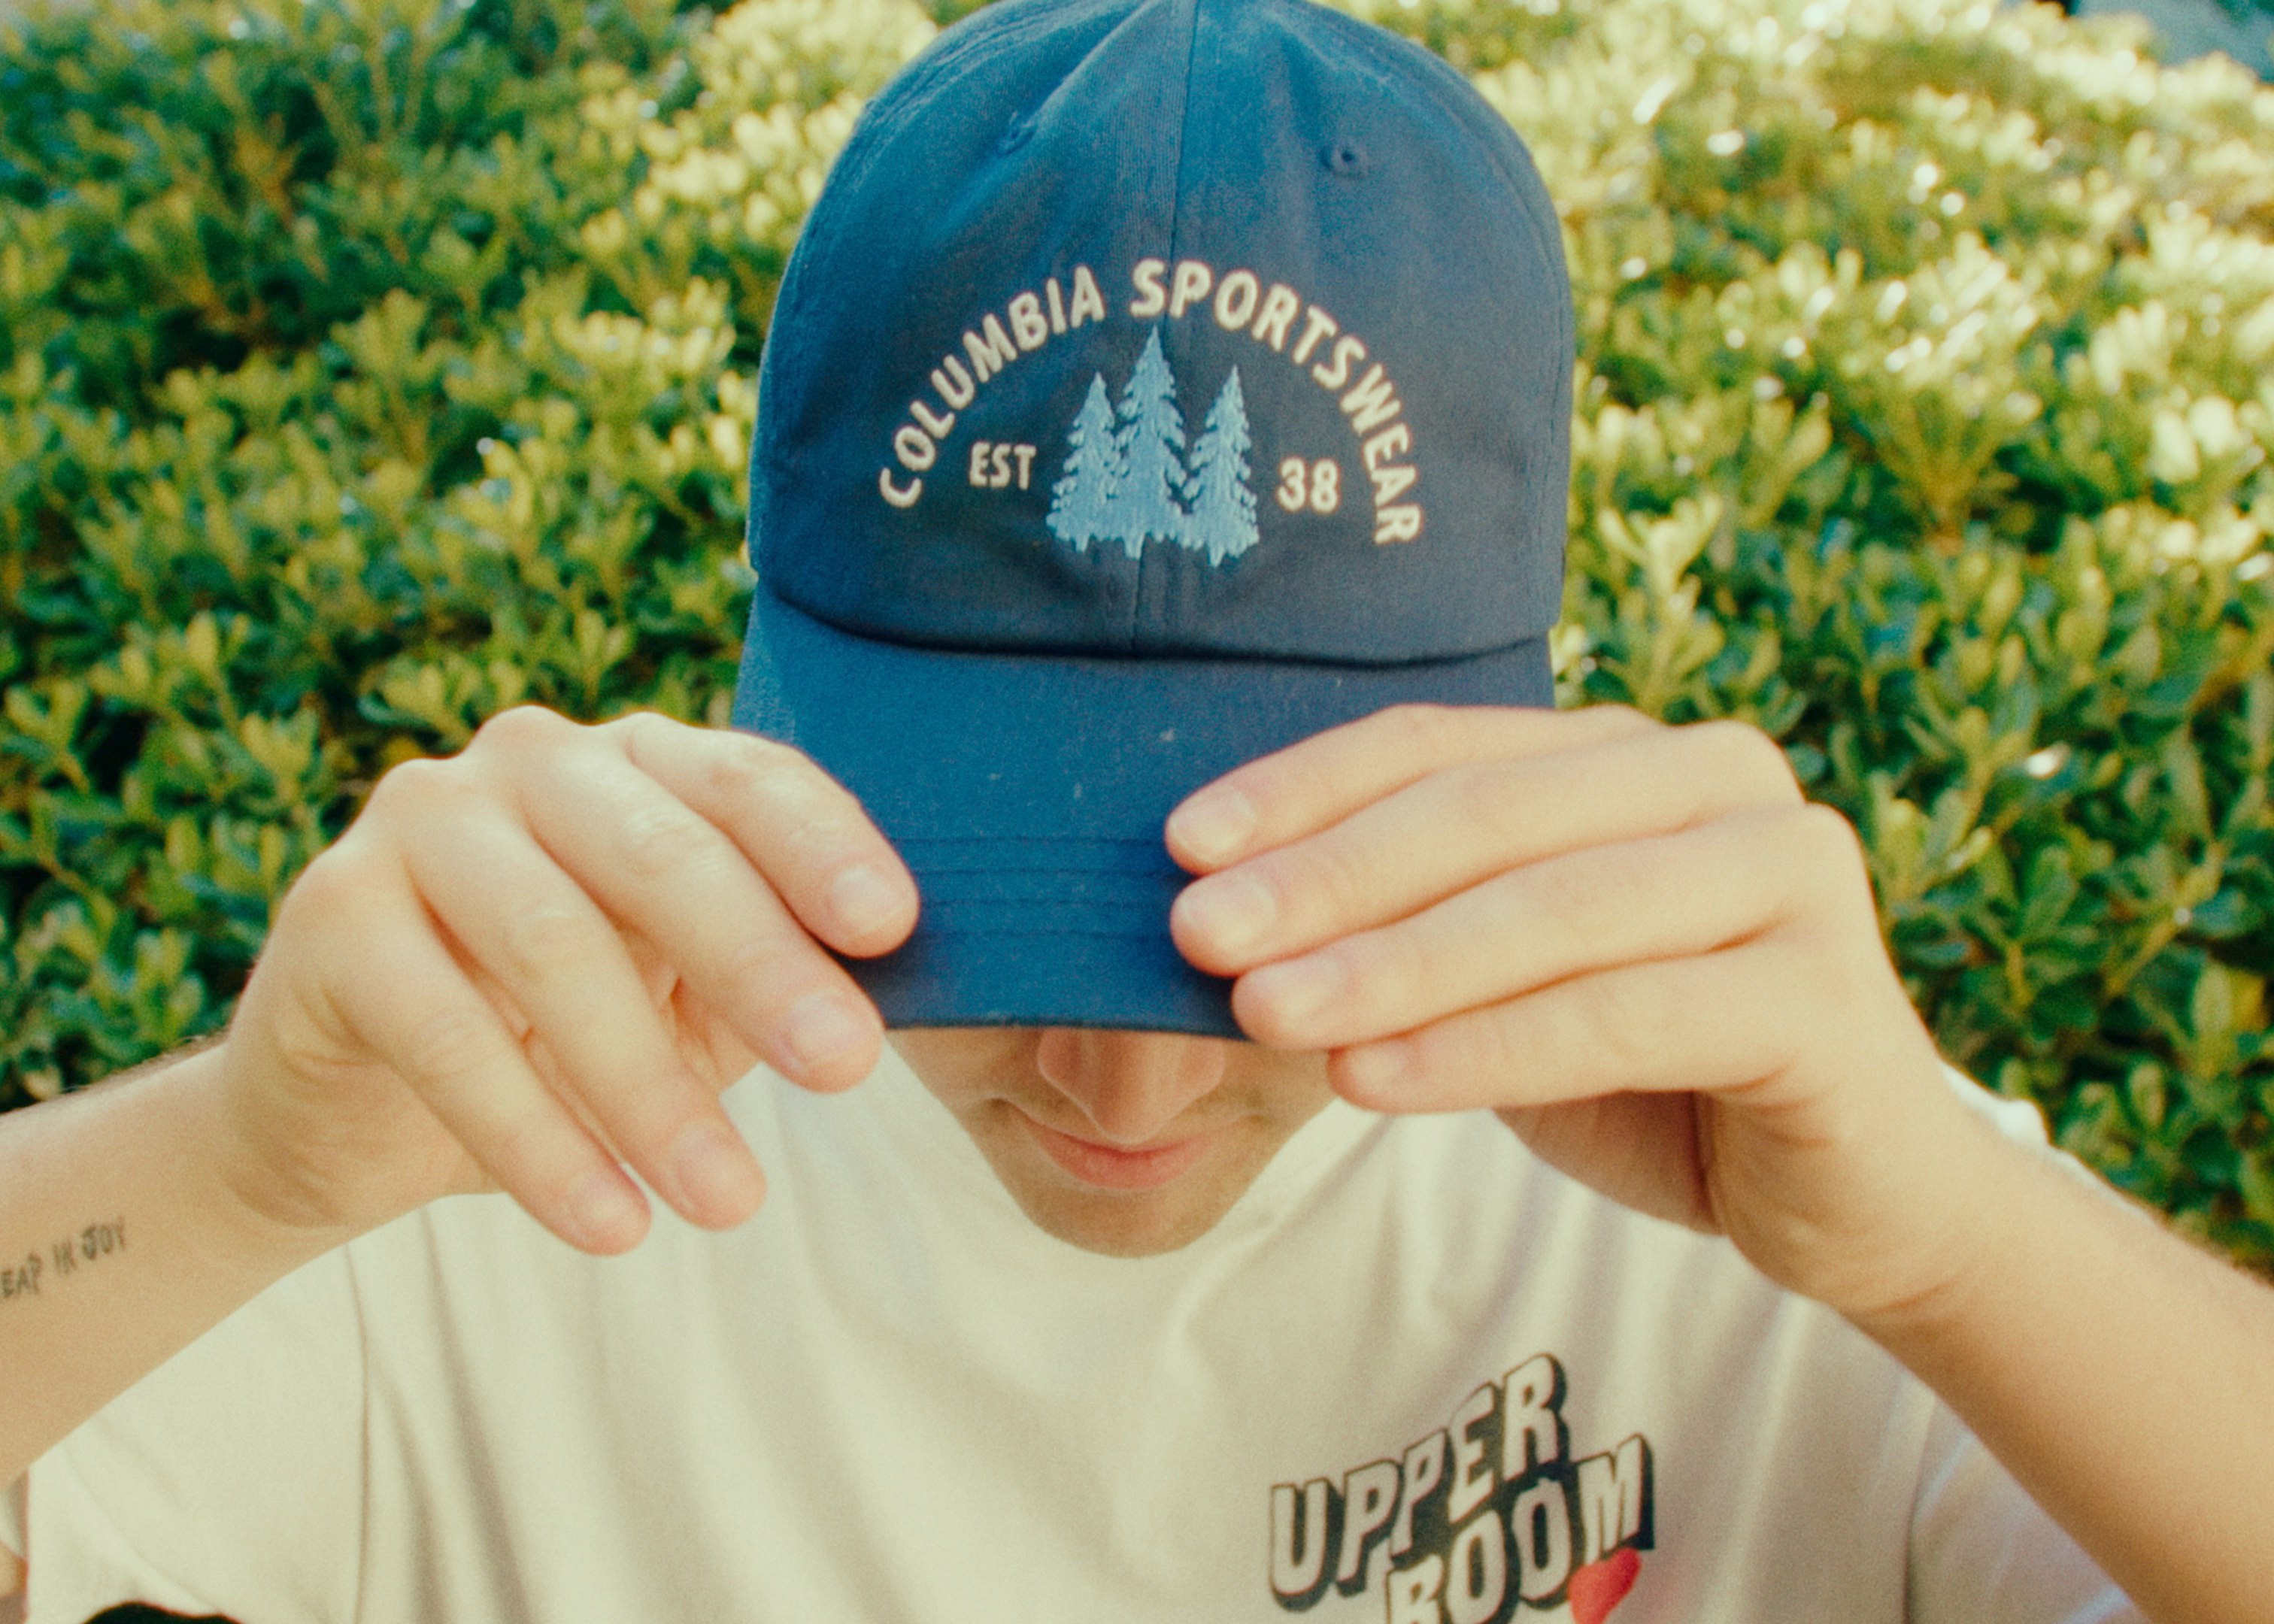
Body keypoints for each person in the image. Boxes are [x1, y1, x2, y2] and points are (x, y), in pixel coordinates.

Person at [2, 1, 2270, 1619]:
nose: (1118, 1071)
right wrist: (224, 1171)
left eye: (1247, 929)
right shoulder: (513, 1126)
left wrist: (1963, 1255)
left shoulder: (1746, 1176)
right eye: (989, 914)